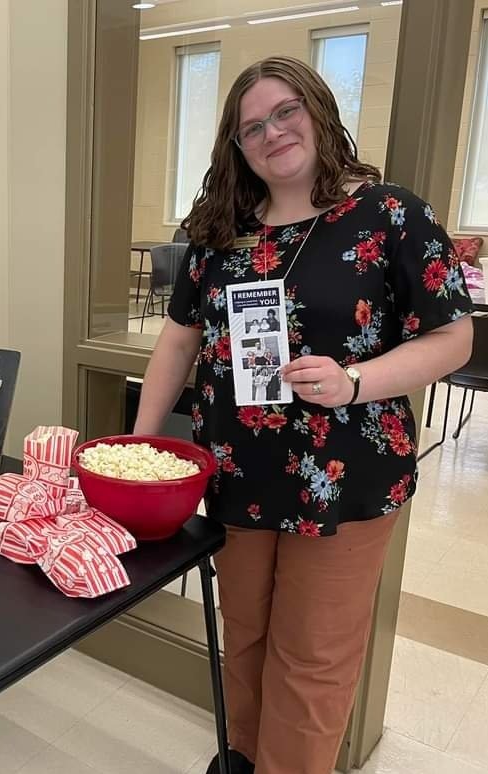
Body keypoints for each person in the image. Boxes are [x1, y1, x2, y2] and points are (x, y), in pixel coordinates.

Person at [132, 56, 472, 774]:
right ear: (235, 145)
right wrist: (138, 445)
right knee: (246, 631)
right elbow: (178, 336)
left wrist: (353, 380)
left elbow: (452, 337)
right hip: (238, 470)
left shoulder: (390, 214)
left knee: (313, 653)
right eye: (250, 125)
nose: (271, 132)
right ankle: (245, 756)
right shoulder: (219, 230)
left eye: (285, 111)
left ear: (318, 109)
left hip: (346, 474)